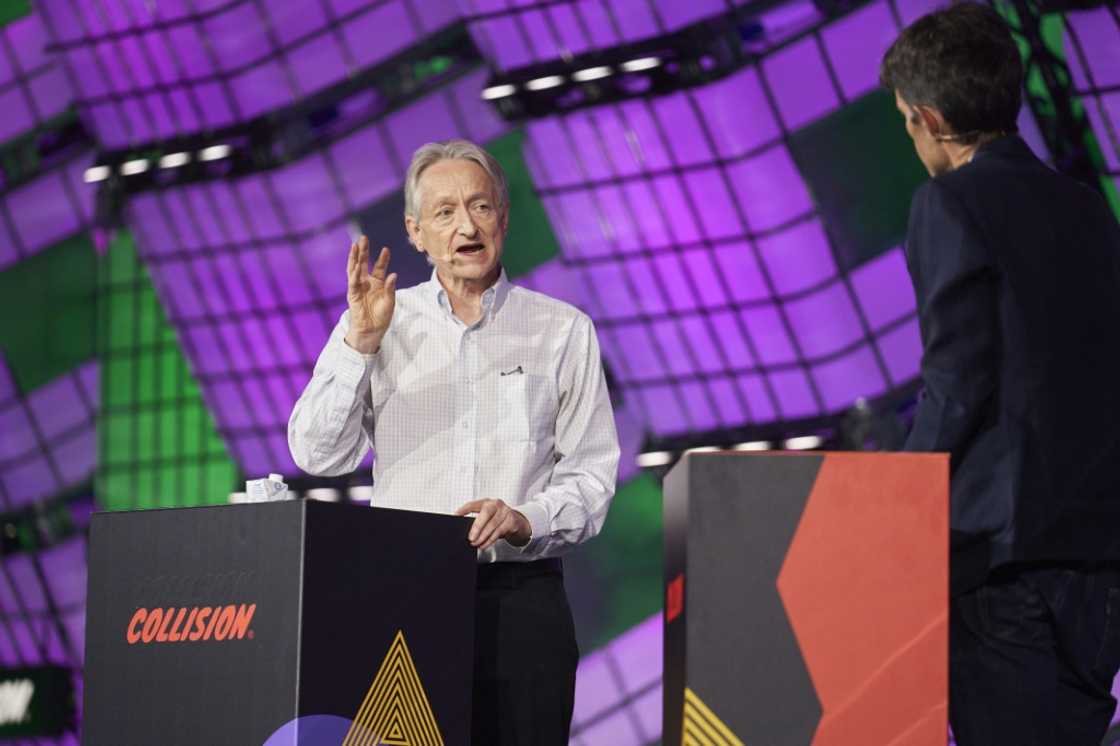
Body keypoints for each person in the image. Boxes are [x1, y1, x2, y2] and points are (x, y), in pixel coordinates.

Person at [288, 139, 620, 745]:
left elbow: (592, 481)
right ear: (415, 232)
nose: (465, 225)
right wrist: (359, 343)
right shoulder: (379, 318)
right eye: (444, 213)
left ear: (504, 217)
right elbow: (317, 455)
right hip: (402, 598)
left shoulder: (562, 330)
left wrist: (525, 517)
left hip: (522, 603)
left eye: (480, 207)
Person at [881, 3, 1120, 743]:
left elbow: (958, 376)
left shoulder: (947, 202)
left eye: (906, 125)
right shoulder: (1087, 206)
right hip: (1099, 554)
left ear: (929, 118)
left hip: (1000, 554)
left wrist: (898, 502)